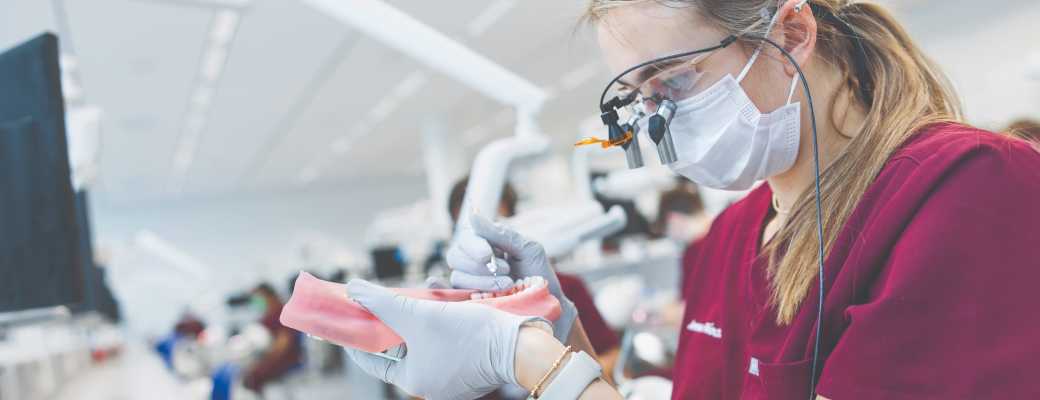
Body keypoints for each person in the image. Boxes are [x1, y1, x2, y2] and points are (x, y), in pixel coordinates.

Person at [343, 1, 1040, 399]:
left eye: (673, 83)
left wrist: (534, 367)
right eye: (642, 102)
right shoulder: (733, 237)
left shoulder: (971, 191)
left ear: (791, 33)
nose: (662, 121)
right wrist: (564, 338)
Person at [446, 176, 621, 391]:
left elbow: (611, 355)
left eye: (494, 219)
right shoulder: (458, 308)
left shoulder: (562, 287)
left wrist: (562, 358)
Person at [241, 283, 303, 394]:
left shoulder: (281, 311)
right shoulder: (267, 314)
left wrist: (267, 359)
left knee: (253, 376)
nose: (257, 301)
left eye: (259, 297)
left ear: (269, 296)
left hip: (285, 355)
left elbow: (283, 343)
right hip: (270, 352)